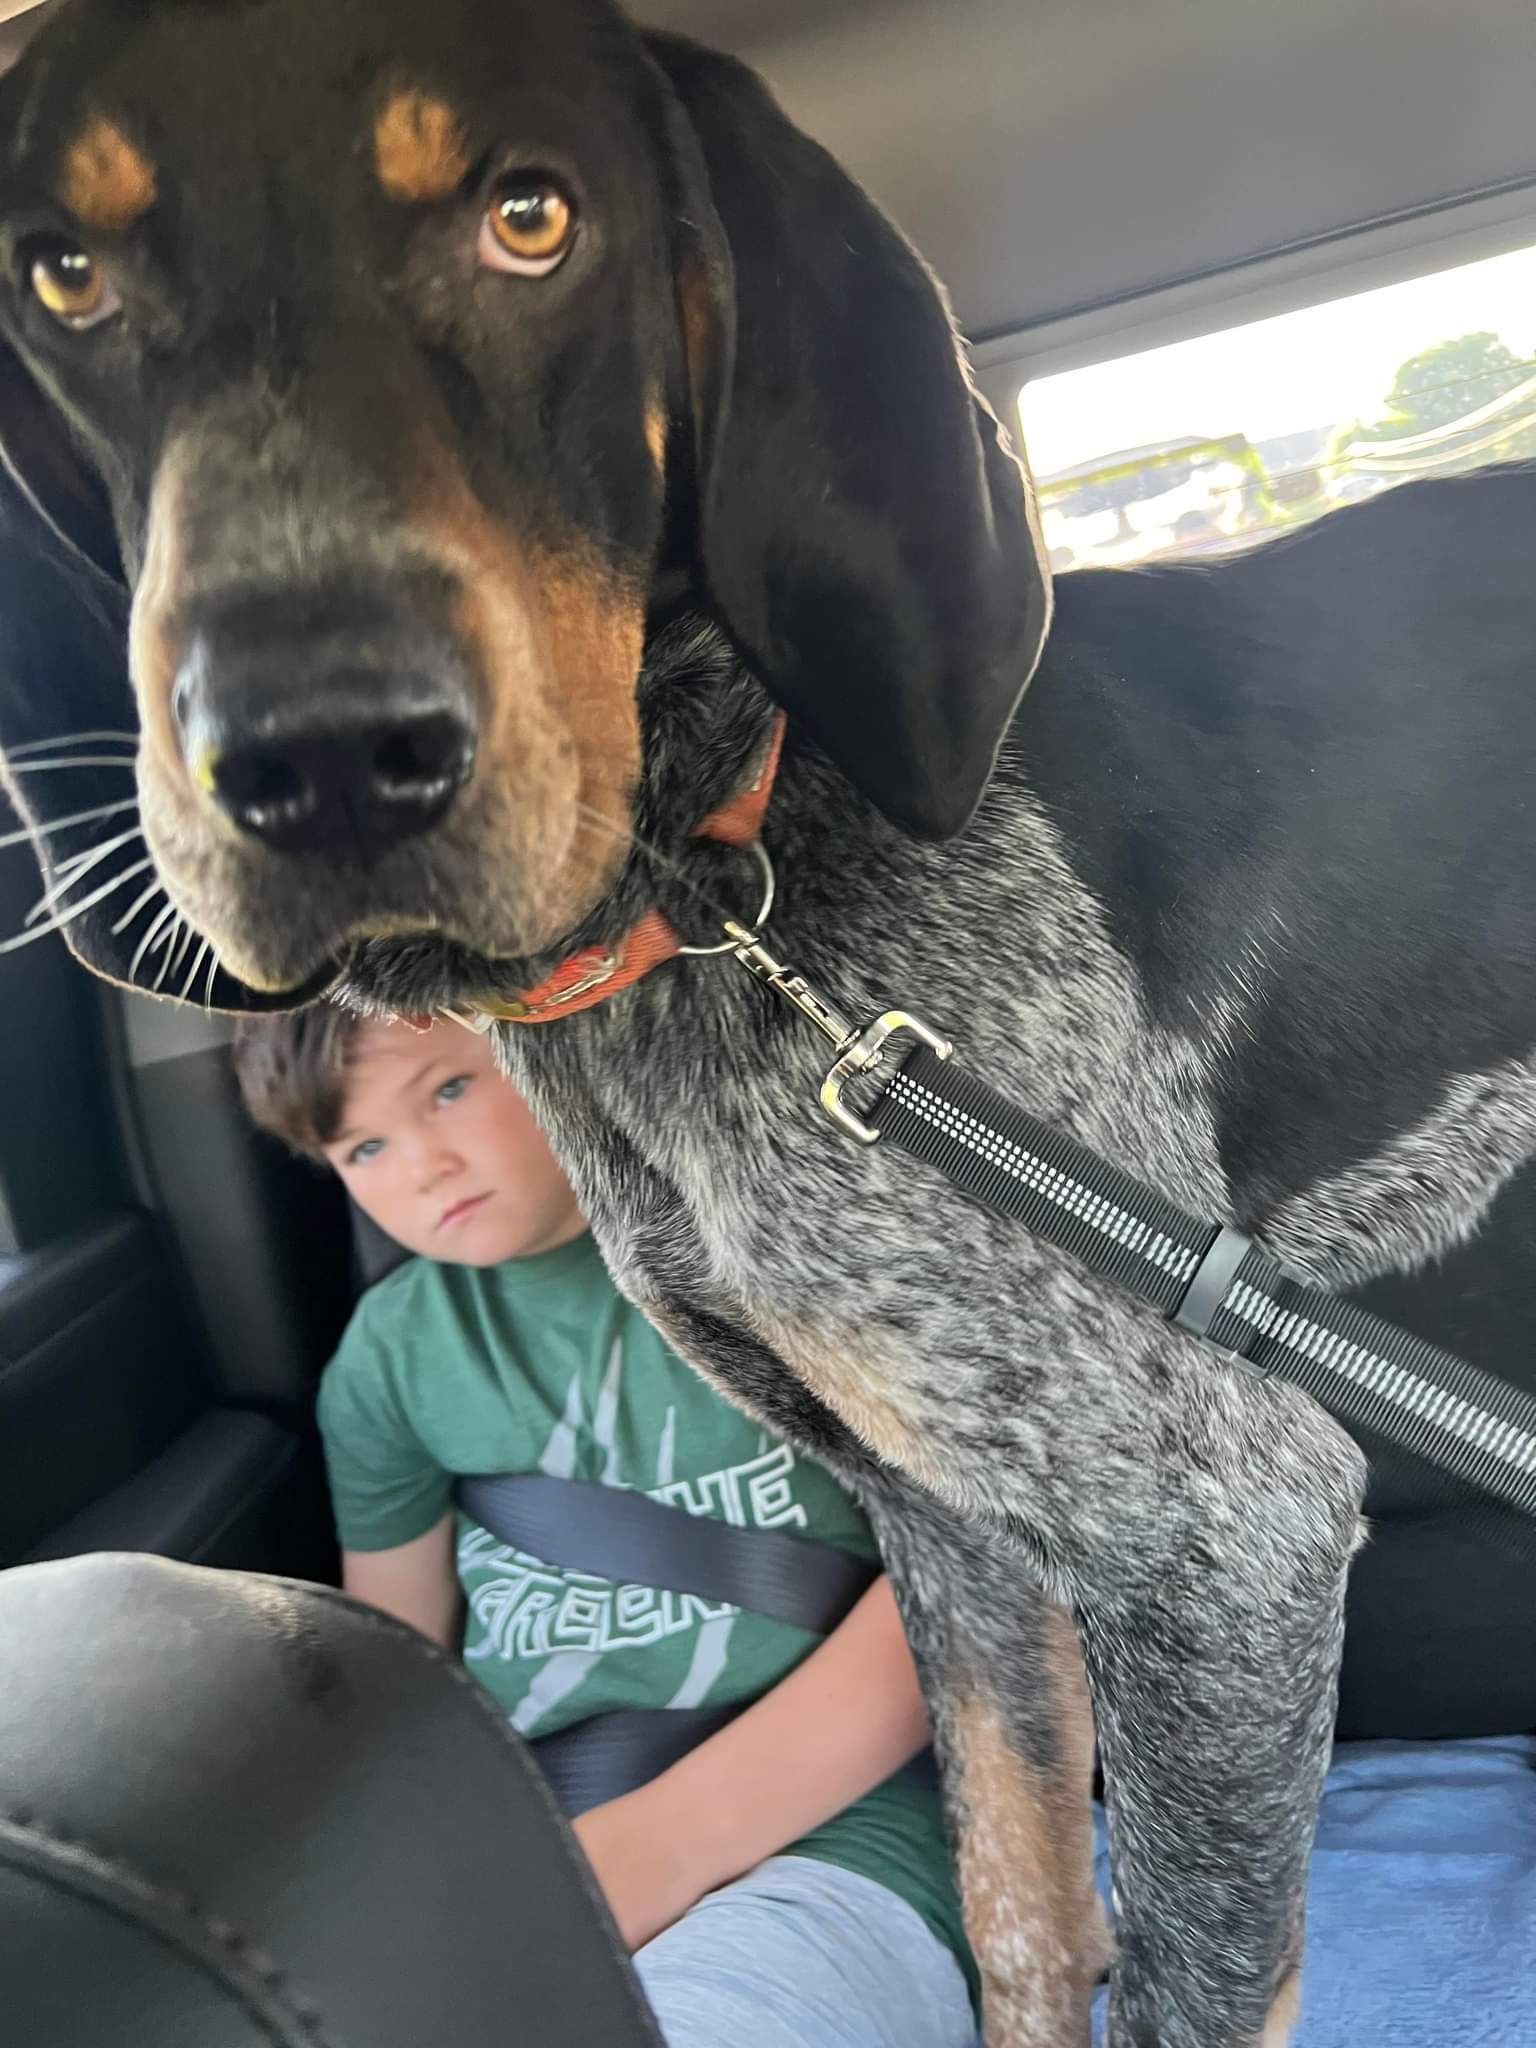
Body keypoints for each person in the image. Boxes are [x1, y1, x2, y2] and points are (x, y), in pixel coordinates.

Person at [233, 1008, 980, 2048]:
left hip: (838, 1830)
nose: (426, 1164)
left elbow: (971, 1597)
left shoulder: (774, 1262)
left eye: (449, 1089)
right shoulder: (390, 1357)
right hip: (529, 1838)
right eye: (364, 1147)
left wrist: (664, 1843)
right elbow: (395, 1675)